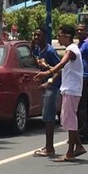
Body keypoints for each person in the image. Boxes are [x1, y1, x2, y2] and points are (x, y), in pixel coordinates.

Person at [36, 24, 86, 162]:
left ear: (67, 36)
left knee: (70, 120)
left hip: (72, 88)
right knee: (68, 118)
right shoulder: (71, 49)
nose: (58, 39)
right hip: (69, 88)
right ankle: (79, 146)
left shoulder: (71, 49)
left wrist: (47, 72)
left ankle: (70, 152)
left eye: (59, 35)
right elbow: (62, 69)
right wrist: (49, 75)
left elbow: (62, 64)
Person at [31, 28, 61, 157]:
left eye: (39, 35)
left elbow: (59, 69)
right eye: (35, 35)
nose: (36, 37)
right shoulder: (38, 50)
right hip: (44, 86)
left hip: (52, 87)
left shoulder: (50, 51)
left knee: (49, 117)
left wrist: (49, 81)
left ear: (45, 37)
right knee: (45, 116)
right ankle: (48, 146)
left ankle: (50, 148)